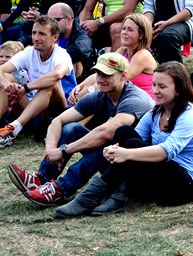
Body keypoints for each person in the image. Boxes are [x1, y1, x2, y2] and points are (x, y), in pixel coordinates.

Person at [54, 61, 193, 217]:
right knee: (124, 132)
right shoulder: (155, 113)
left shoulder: (189, 115)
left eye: (162, 87)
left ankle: (94, 197)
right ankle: (113, 194)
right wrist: (114, 150)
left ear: (178, 89)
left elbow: (165, 152)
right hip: (159, 175)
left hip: (184, 185)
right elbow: (131, 139)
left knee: (131, 145)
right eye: (154, 85)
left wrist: (125, 154)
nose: (155, 91)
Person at [7, 52, 153, 206]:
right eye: (98, 73)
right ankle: (41, 179)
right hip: (117, 159)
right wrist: (51, 151)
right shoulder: (100, 96)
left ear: (123, 76)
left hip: (139, 166)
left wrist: (63, 151)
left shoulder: (135, 100)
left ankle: (61, 189)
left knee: (103, 143)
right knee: (71, 128)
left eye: (107, 75)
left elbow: (105, 134)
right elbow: (58, 121)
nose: (100, 79)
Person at [0, 15, 76, 147]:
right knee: (6, 78)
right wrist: (8, 86)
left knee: (49, 84)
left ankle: (13, 129)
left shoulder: (62, 54)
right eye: (34, 33)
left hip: (59, 113)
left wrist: (25, 88)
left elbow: (57, 75)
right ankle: (9, 129)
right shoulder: (30, 52)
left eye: (42, 34)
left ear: (55, 38)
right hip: (34, 111)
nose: (36, 38)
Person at [71, 13, 157, 101]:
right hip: (126, 99)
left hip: (142, 104)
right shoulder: (123, 50)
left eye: (130, 30)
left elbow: (118, 79)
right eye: (124, 28)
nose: (124, 32)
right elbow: (101, 72)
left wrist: (88, 90)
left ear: (141, 35)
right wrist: (80, 86)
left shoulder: (143, 55)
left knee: (96, 98)